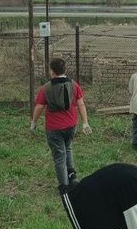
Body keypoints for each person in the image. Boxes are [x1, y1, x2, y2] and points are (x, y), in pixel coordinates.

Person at [30, 57, 91, 192]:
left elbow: (39, 107)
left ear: (52, 71)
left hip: (54, 128)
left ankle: (64, 186)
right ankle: (72, 176)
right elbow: (81, 103)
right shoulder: (74, 85)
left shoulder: (45, 88)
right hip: (71, 125)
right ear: (65, 69)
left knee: (59, 155)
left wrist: (34, 122)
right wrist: (85, 122)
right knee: (68, 148)